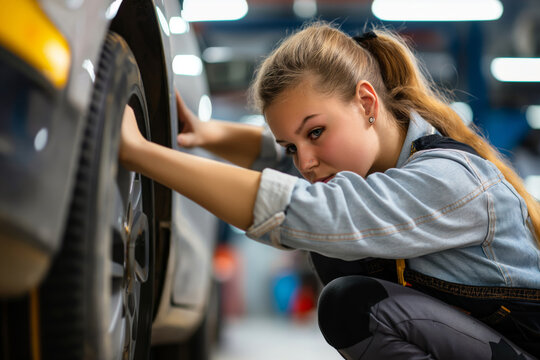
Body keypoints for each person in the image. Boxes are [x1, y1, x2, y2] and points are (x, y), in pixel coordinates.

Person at [119, 22, 540, 359]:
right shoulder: (383, 159)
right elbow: (278, 155)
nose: (303, 161)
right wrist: (208, 134)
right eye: (292, 145)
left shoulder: (446, 179)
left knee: (350, 300)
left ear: (367, 104)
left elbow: (313, 211)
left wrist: (138, 153)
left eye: (315, 132)